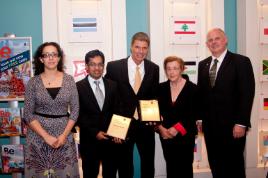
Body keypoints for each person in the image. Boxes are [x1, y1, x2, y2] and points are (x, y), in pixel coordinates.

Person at [197, 28, 255, 178]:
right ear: (206, 44)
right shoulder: (202, 65)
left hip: (233, 127)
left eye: (217, 38)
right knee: (216, 165)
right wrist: (200, 119)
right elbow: (201, 95)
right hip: (210, 128)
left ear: (225, 40)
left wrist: (241, 123)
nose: (213, 42)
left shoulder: (241, 61)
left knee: (234, 166)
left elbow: (247, 93)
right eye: (210, 40)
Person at [105, 32, 159, 178]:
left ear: (148, 49)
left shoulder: (154, 68)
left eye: (144, 48)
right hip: (121, 125)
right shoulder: (113, 67)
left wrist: (155, 117)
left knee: (148, 165)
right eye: (137, 47)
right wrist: (113, 129)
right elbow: (109, 99)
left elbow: (153, 97)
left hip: (145, 126)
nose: (140, 51)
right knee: (124, 165)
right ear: (131, 47)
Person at [24, 42, 79, 177]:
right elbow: (28, 114)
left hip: (63, 137)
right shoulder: (33, 82)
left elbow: (75, 110)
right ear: (41, 59)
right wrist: (46, 136)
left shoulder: (69, 80)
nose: (51, 58)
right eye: (47, 55)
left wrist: (64, 136)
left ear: (59, 58)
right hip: (38, 137)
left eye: (54, 54)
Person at [76, 49, 124, 178]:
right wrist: (95, 132)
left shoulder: (113, 85)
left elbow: (118, 110)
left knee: (111, 175)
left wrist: (118, 132)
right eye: (92, 64)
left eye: (100, 64)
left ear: (103, 66)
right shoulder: (77, 87)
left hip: (111, 141)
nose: (97, 68)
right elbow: (78, 115)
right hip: (90, 141)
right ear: (86, 66)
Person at [157, 56, 198, 178]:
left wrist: (177, 128)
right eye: (168, 69)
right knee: (171, 168)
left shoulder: (193, 89)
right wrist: (160, 128)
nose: (171, 72)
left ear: (181, 69)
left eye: (175, 68)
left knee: (184, 169)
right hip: (166, 136)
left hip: (185, 136)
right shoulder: (160, 88)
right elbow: (154, 112)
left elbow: (194, 114)